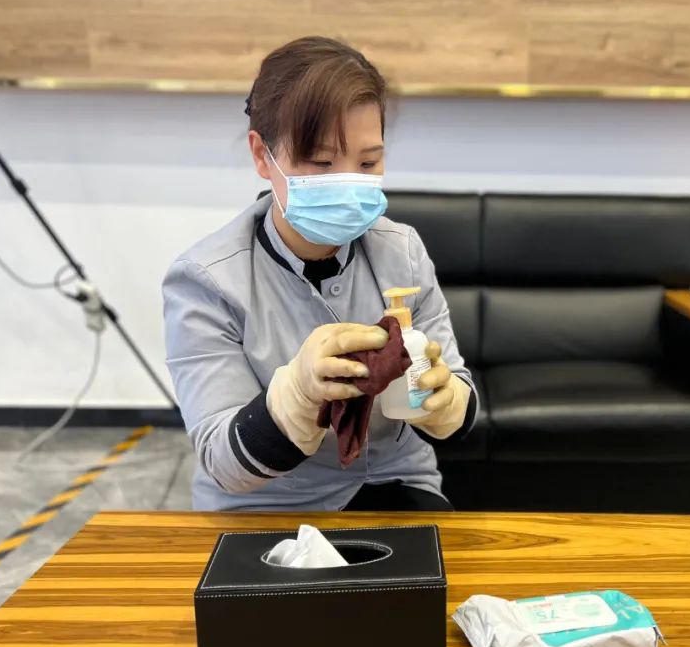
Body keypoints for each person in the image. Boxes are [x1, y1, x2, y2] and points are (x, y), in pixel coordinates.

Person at [162, 37, 476, 512]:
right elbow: (223, 462)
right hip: (267, 504)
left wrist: (444, 399)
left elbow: (459, 394)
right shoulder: (205, 282)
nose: (347, 182)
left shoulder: (402, 251)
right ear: (262, 155)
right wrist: (296, 394)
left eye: (368, 162)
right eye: (322, 162)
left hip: (393, 480)